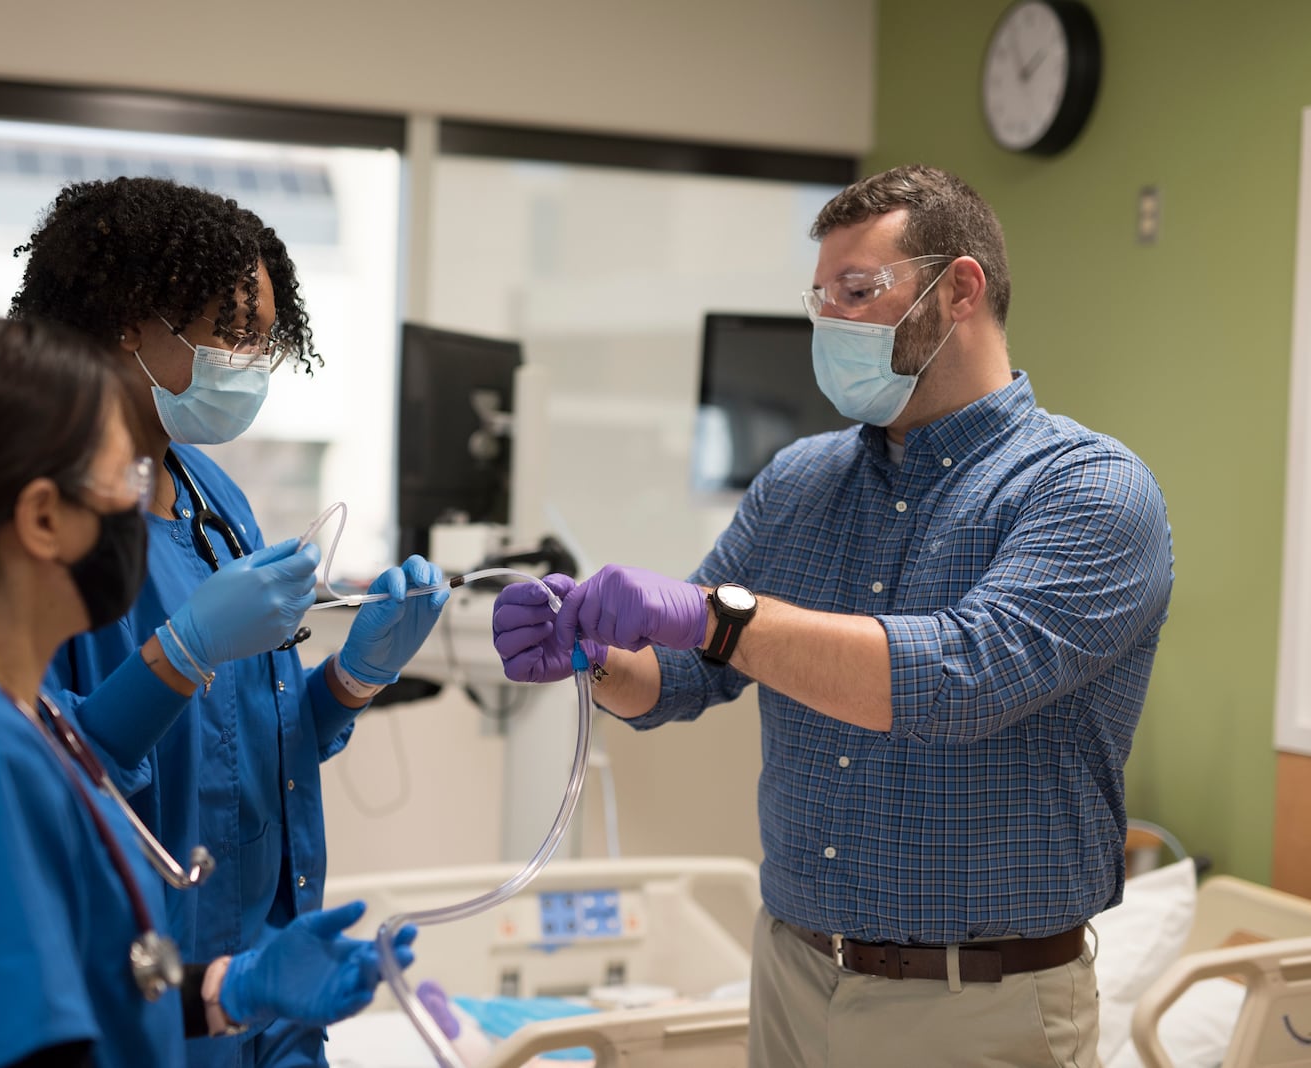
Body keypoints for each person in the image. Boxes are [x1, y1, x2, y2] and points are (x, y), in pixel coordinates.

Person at [491, 165, 1174, 1067]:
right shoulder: (802, 481)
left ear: (959, 289)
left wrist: (713, 616)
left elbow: (955, 679)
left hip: (978, 1001)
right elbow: (685, 675)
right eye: (821, 299)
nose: (832, 323)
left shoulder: (1086, 491)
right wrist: (588, 656)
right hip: (793, 973)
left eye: (858, 292)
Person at [0, 316, 416, 1068]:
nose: (147, 509)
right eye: (125, 482)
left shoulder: (1, 713)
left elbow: (70, 984)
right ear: (43, 518)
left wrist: (230, 990)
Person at [9, 176, 445, 1068]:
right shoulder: (43, 527)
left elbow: (253, 749)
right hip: (159, 1003)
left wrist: (353, 680)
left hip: (271, 995)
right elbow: (54, 779)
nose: (253, 359)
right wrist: (183, 650)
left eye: (264, 338)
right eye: (234, 332)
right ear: (133, 324)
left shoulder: (217, 499)